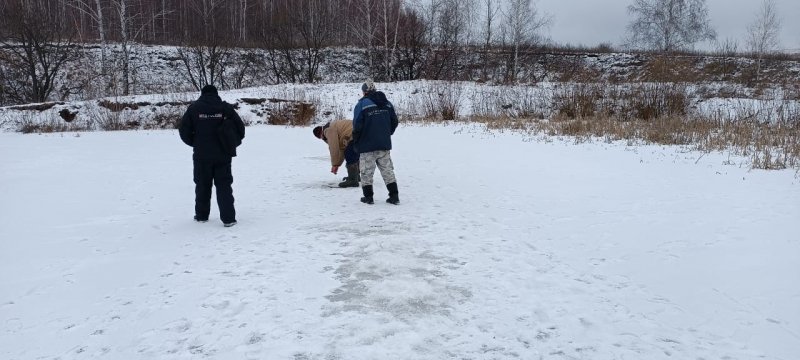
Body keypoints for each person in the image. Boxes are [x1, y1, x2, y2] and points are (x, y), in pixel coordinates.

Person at [179, 85, 245, 227]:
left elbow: (184, 132)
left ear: (202, 94)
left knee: (202, 185)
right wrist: (230, 144)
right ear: (216, 94)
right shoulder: (225, 108)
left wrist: (196, 143)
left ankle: (202, 216)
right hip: (223, 156)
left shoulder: (194, 109)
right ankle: (228, 219)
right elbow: (241, 130)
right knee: (224, 186)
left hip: (201, 156)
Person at [351, 79, 400, 205]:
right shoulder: (387, 103)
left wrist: (356, 139)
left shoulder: (362, 105)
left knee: (366, 172)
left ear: (364, 92)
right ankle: (394, 196)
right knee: (387, 170)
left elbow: (357, 125)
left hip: (367, 145)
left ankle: (368, 197)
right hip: (383, 144)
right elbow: (394, 121)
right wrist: (386, 133)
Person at [313, 119, 360, 187]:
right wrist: (337, 164)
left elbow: (334, 147)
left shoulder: (328, 130)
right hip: (359, 131)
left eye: (321, 138)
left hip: (353, 133)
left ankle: (353, 180)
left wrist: (335, 164)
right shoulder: (332, 127)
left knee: (350, 154)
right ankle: (355, 177)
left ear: (320, 134)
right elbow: (341, 149)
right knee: (353, 154)